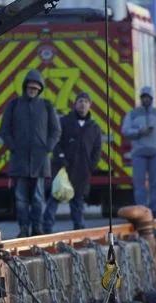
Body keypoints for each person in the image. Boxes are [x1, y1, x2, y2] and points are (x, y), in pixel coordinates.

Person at [0, 69, 60, 237]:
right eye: (30, 87)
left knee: (38, 198)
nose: (33, 90)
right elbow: (4, 130)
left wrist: (48, 147)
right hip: (19, 160)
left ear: (40, 89)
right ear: (25, 87)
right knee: (20, 199)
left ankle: (37, 228)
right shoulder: (14, 105)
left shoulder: (47, 105)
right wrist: (13, 147)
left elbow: (56, 131)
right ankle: (24, 229)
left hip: (40, 162)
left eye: (36, 87)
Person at [44, 91, 102, 232]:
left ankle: (79, 230)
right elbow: (56, 142)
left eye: (86, 102)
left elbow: (97, 149)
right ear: (75, 104)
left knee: (77, 202)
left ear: (90, 106)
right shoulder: (64, 121)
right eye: (80, 101)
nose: (83, 104)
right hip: (63, 170)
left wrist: (90, 166)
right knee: (55, 198)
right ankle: (45, 228)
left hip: (82, 171)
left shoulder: (94, 127)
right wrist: (60, 158)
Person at [121, 86, 156, 218]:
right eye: (144, 97)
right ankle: (141, 209)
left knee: (155, 183)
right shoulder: (133, 114)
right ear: (141, 99)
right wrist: (139, 132)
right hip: (139, 153)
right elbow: (125, 130)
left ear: (152, 99)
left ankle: (154, 210)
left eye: (148, 97)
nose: (146, 99)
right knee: (139, 183)